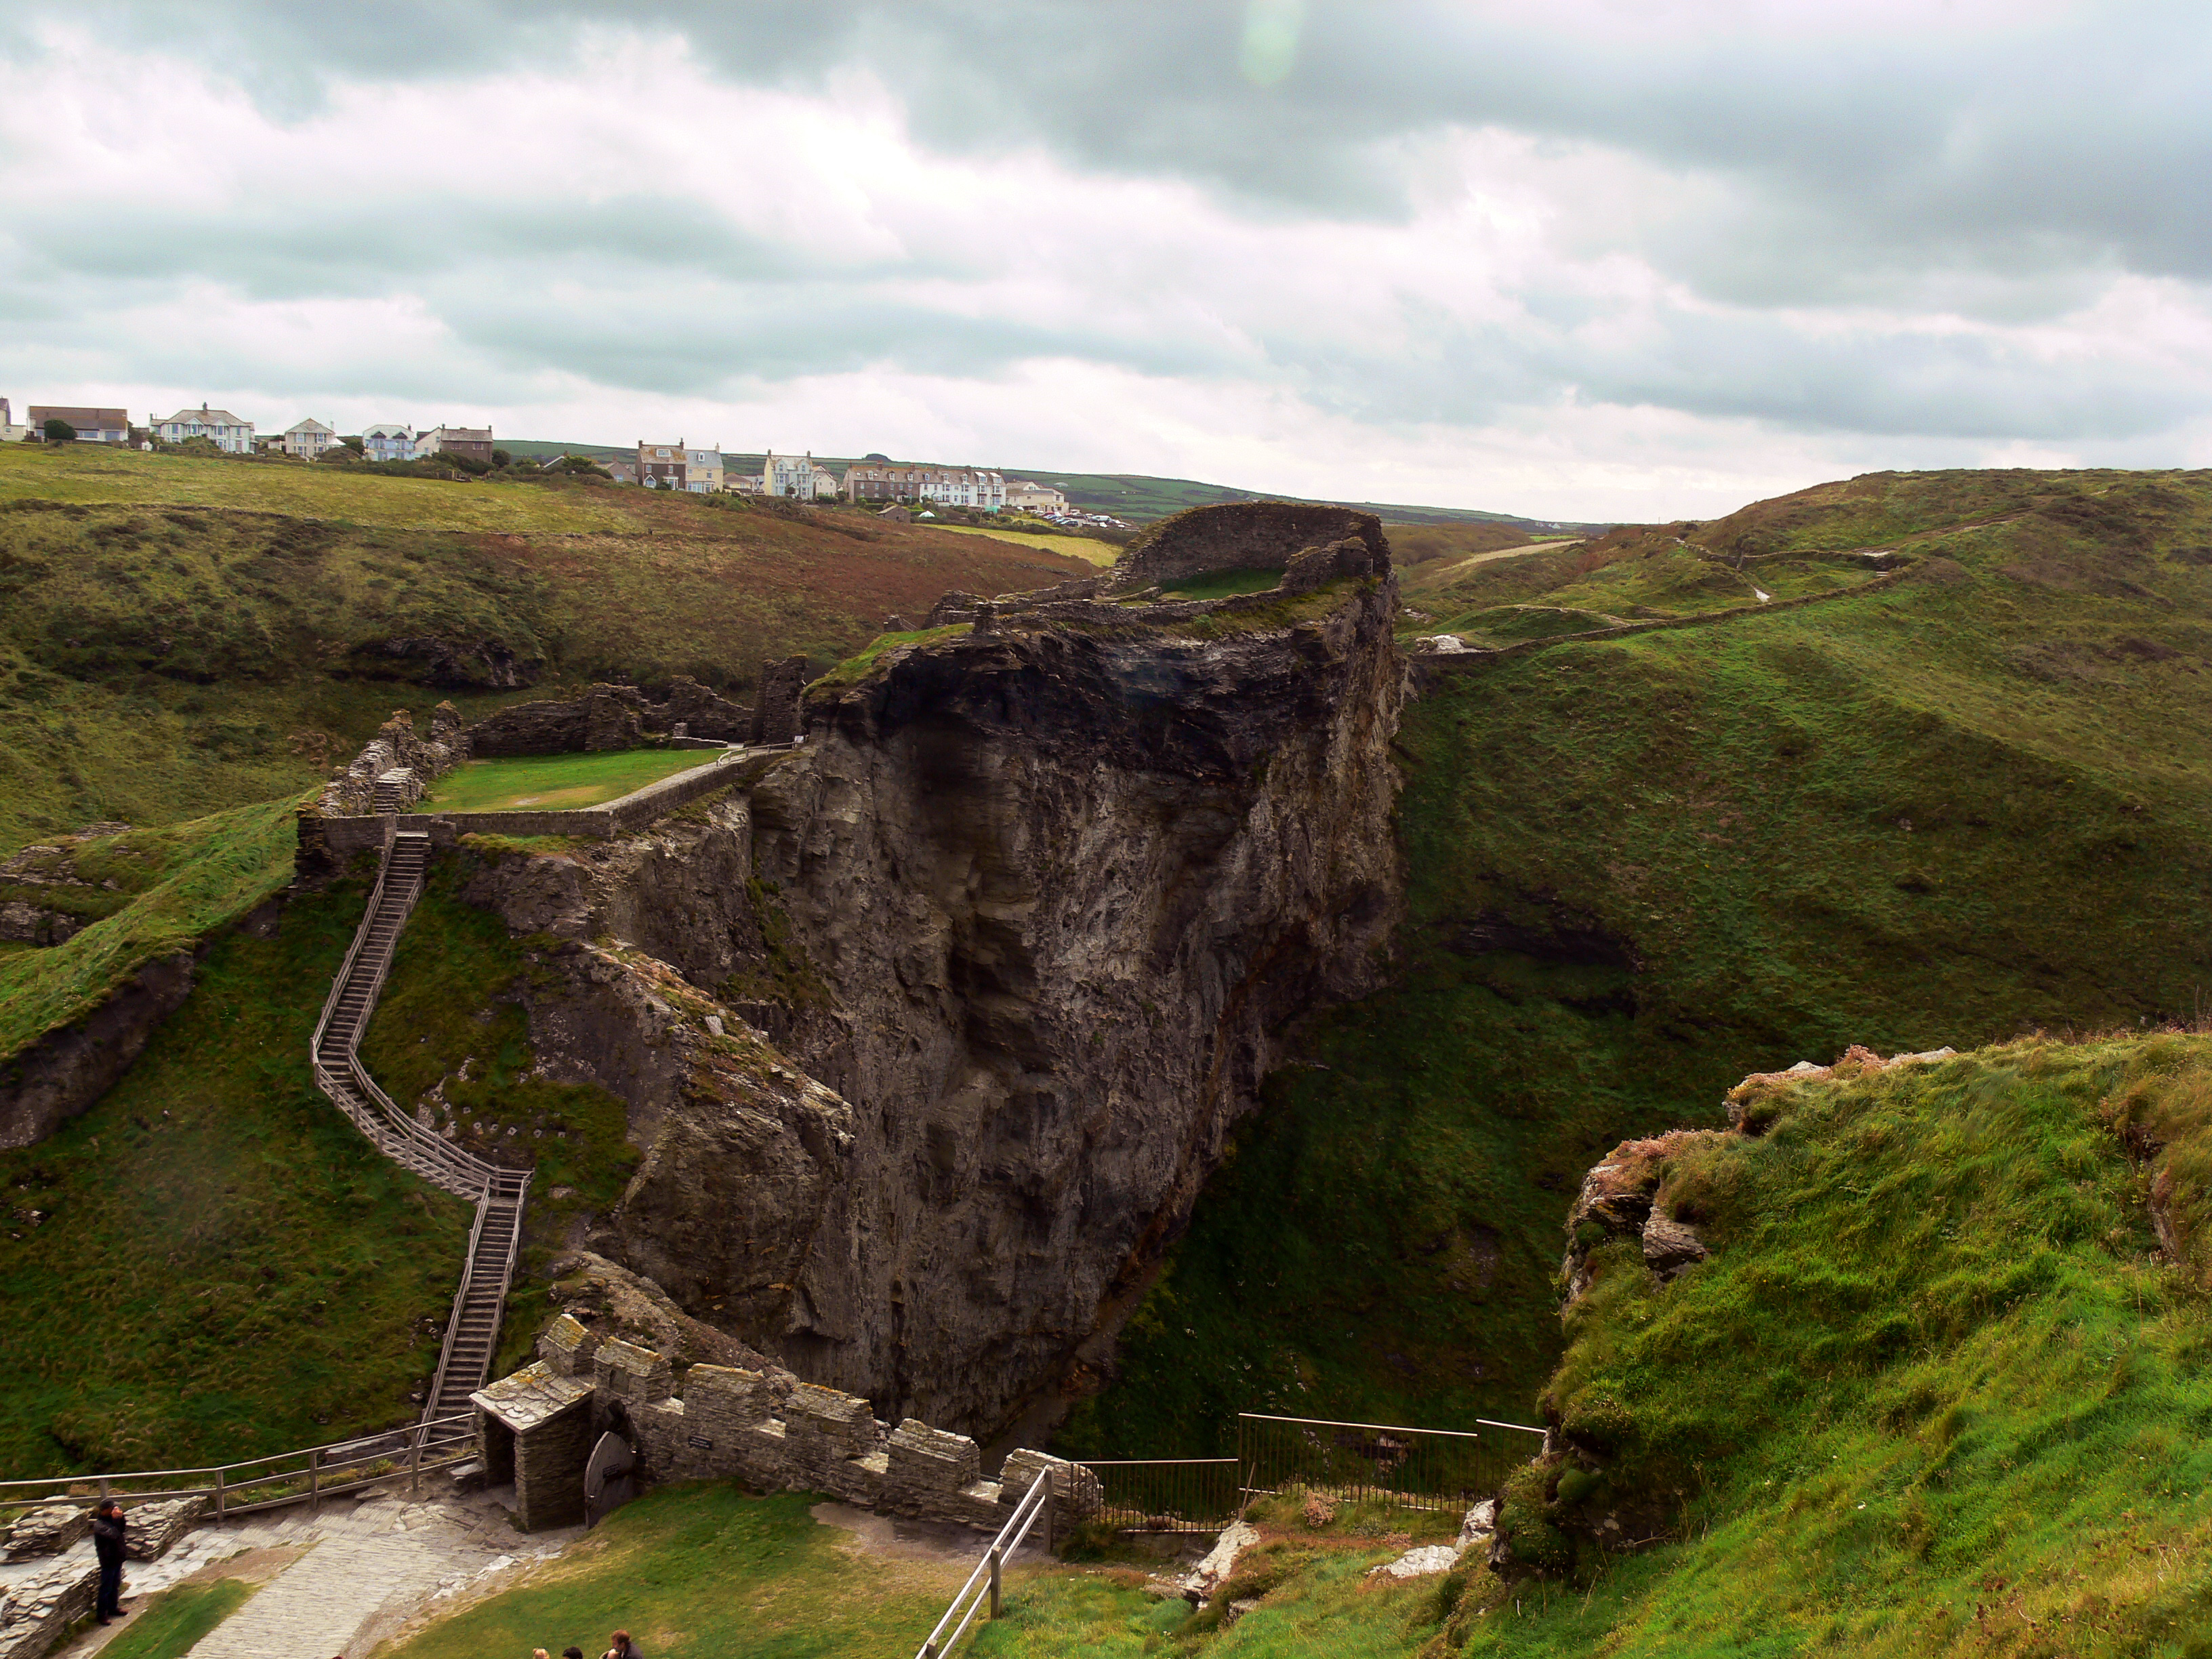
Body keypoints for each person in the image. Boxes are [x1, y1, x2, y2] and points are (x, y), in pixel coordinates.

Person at [89, 1500, 126, 1624]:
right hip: (108, 1560)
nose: (114, 1510)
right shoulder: (99, 1526)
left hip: (117, 1558)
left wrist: (121, 1518)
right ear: (105, 1510)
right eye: (112, 1508)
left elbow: (122, 1529)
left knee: (115, 1585)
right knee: (106, 1588)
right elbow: (114, 1535)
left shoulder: (111, 1520)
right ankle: (101, 1615)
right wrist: (116, 1520)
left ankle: (113, 1608)